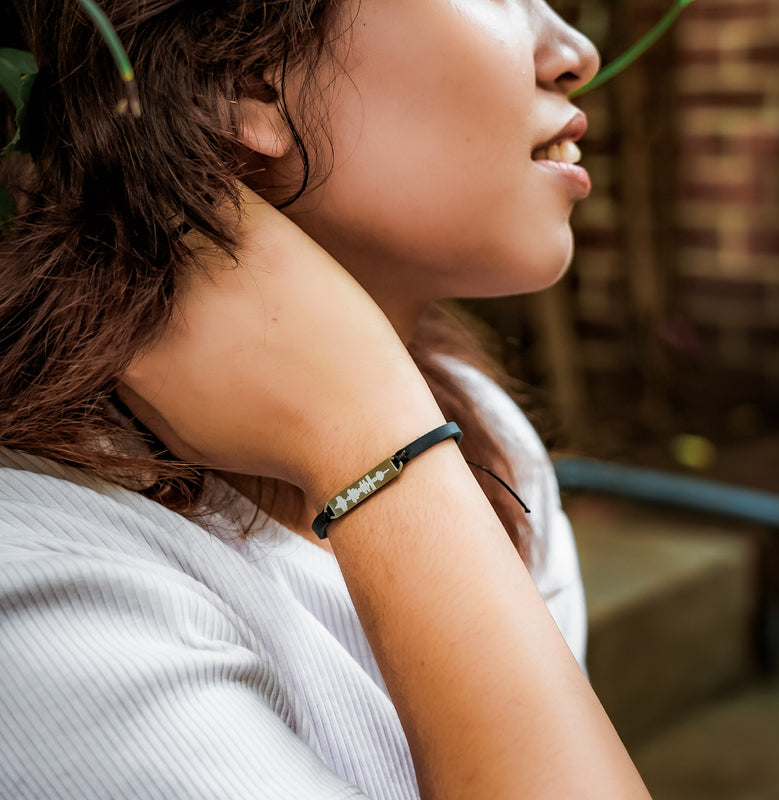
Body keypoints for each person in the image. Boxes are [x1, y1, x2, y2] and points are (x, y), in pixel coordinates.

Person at [0, 1, 652, 798]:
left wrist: (384, 432)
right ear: (243, 78)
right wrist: (378, 445)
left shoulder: (485, 435)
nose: (576, 52)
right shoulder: (48, 588)